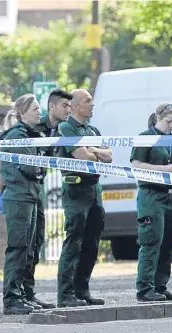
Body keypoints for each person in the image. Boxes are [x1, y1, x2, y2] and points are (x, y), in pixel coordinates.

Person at [56, 89, 112, 307]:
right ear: (76, 106)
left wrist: (92, 150)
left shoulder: (92, 129)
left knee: (92, 244)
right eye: (88, 101)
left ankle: (82, 290)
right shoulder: (66, 127)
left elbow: (109, 156)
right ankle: (66, 294)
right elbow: (81, 155)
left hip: (94, 189)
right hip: (76, 191)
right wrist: (94, 152)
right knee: (74, 241)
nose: (93, 103)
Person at [20, 89, 73, 309]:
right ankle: (19, 294)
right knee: (25, 244)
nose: (68, 110)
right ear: (52, 107)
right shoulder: (34, 128)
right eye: (64, 106)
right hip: (26, 188)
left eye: (70, 106)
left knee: (37, 242)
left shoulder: (62, 130)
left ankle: (29, 293)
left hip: (39, 188)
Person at [130, 103, 172, 302]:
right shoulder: (145, 138)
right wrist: (165, 169)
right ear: (157, 118)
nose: (171, 126)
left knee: (169, 242)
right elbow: (136, 166)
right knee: (152, 241)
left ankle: (160, 286)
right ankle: (145, 288)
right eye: (168, 121)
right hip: (153, 196)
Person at [0, 94, 45, 315]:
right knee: (18, 247)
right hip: (19, 197)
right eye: (35, 109)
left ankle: (24, 295)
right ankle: (12, 299)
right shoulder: (17, 136)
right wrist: (40, 167)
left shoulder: (31, 135)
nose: (39, 112)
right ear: (23, 112)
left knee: (30, 247)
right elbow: (31, 168)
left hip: (29, 196)